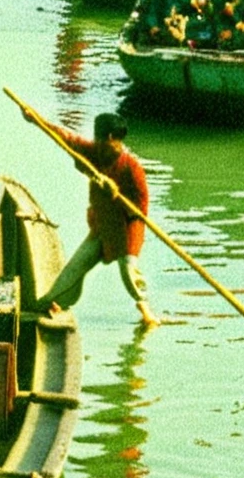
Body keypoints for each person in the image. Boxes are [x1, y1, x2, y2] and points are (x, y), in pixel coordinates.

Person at [25, 111, 158, 328]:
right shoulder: (94, 153)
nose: (96, 141)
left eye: (99, 137)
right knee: (76, 266)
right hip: (101, 226)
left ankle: (145, 310)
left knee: (129, 271)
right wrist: (37, 120)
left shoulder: (131, 168)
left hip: (126, 229)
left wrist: (115, 195)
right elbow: (67, 138)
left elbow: (140, 211)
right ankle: (52, 301)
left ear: (111, 139)